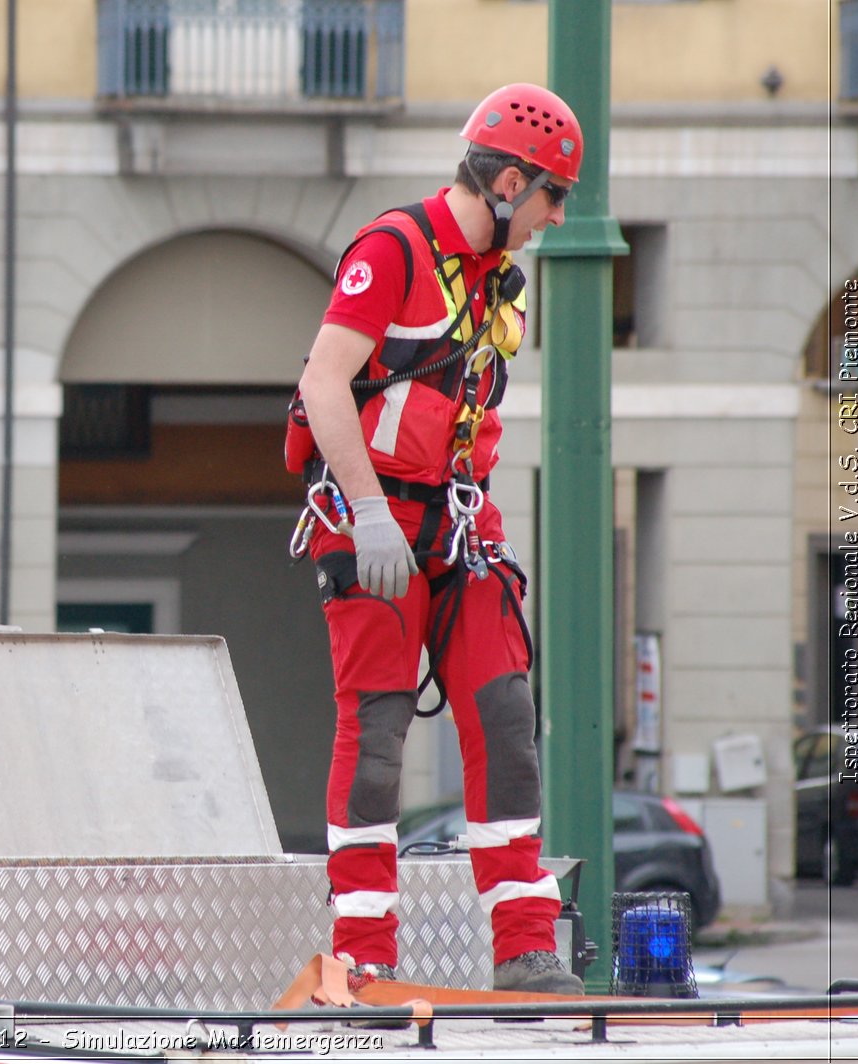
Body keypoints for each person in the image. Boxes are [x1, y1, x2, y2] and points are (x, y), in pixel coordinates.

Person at [284, 83, 586, 995]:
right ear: (505, 181)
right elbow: (325, 382)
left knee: (505, 721)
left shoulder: (501, 279)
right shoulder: (393, 249)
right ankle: (366, 956)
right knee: (377, 742)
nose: (556, 215)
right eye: (552, 195)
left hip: (461, 520)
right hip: (373, 515)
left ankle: (526, 949)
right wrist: (369, 512)